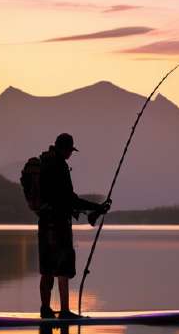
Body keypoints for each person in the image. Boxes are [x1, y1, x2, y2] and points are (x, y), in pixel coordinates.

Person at [38, 133, 111, 319]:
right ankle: (64, 311)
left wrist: (91, 209)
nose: (71, 153)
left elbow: (62, 199)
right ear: (64, 148)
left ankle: (45, 309)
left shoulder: (44, 162)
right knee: (62, 268)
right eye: (70, 150)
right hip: (59, 225)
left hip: (45, 223)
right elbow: (69, 199)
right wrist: (96, 207)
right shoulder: (59, 166)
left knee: (47, 268)